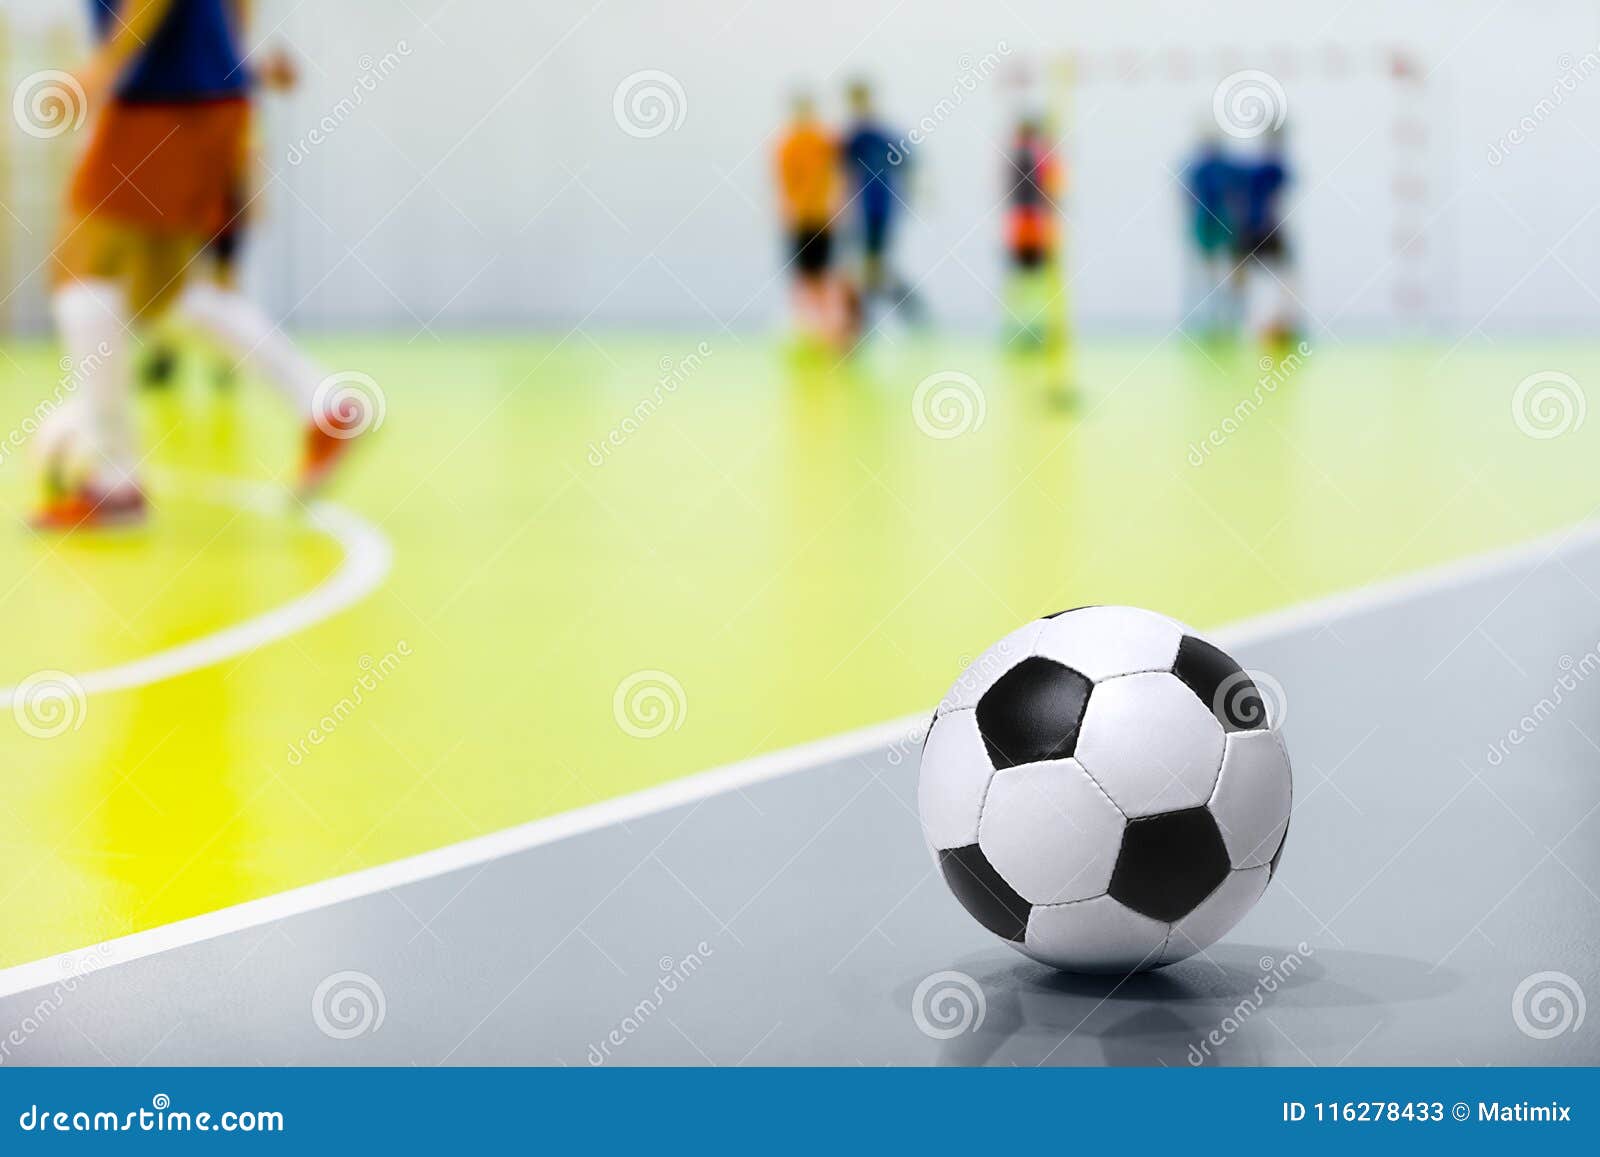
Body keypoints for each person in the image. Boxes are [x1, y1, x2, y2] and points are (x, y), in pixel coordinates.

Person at [34, 0, 363, 530]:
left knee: (80, 274)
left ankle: (114, 482)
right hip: (192, 96)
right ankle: (327, 406)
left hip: (165, 102)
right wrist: (239, 63)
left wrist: (104, 66)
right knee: (158, 296)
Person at [774, 92, 854, 347]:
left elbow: (840, 175)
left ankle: (831, 332)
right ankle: (811, 332)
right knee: (805, 277)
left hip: (821, 219)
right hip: (802, 220)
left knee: (823, 277)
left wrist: (837, 206)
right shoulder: (788, 144)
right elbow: (784, 183)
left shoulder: (824, 141)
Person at [842, 80, 921, 327]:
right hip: (859, 213)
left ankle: (909, 314)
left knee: (873, 269)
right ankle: (864, 324)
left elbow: (908, 163)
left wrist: (909, 197)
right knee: (867, 270)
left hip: (879, 211)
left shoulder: (879, 136)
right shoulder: (852, 139)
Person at [1232, 124, 1299, 344]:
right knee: (1275, 276)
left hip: (1256, 229)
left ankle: (1272, 325)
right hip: (1262, 228)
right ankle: (1260, 325)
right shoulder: (1272, 169)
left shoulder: (1264, 168)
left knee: (1275, 276)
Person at [1003, 116, 1062, 346]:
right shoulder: (1032, 158)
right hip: (1031, 228)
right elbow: (1046, 194)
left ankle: (1028, 328)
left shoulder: (1026, 157)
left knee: (1027, 282)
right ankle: (1029, 329)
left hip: (1028, 228)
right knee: (1031, 281)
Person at [1180, 127, 1241, 337]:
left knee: (1228, 272)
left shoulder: (1225, 168)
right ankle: (1212, 319)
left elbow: (1235, 195)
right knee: (1209, 273)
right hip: (1205, 223)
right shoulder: (1200, 169)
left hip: (1222, 222)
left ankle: (1229, 318)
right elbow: (1190, 197)